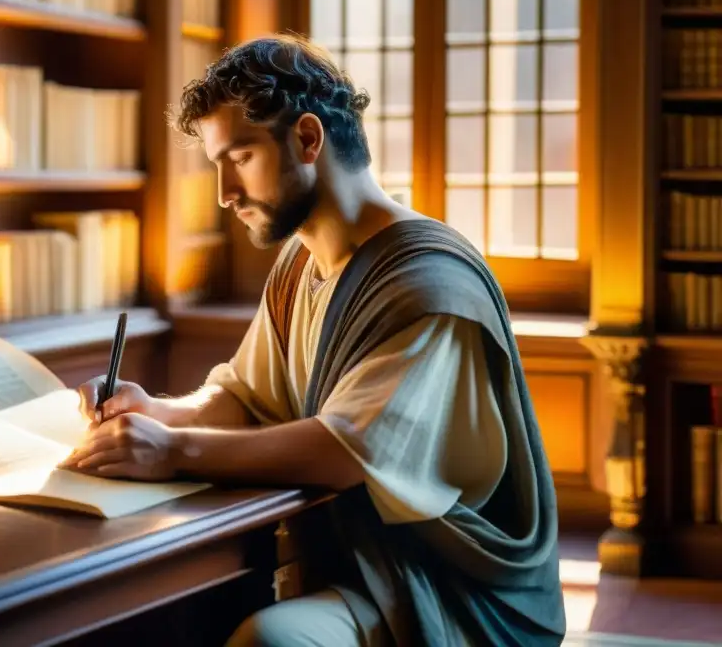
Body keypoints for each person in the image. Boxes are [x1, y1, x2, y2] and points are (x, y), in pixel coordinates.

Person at [62, 34, 566, 646]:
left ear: (307, 139)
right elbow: (247, 398)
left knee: (270, 639)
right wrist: (153, 412)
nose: (225, 193)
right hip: (362, 563)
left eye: (240, 158)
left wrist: (171, 449)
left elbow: (347, 449)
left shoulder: (429, 281)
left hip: (443, 583)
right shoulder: (301, 263)